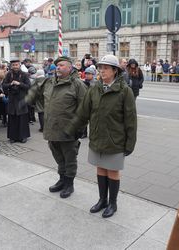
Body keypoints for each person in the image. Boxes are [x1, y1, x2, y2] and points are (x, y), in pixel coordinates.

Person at [64, 54, 137, 218]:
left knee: (112, 171)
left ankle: (113, 203)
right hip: (97, 137)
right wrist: (72, 129)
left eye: (106, 68)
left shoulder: (125, 91)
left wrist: (130, 143)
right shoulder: (95, 88)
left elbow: (131, 120)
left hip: (115, 139)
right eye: (100, 68)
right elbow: (83, 112)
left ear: (115, 71)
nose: (102, 71)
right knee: (101, 169)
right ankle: (102, 200)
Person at [26, 56, 87, 198]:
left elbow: (85, 109)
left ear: (70, 67)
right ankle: (62, 180)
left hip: (68, 130)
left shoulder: (77, 85)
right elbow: (41, 99)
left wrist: (79, 128)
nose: (58, 67)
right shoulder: (49, 83)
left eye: (61, 65)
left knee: (69, 159)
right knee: (59, 157)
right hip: (52, 129)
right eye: (57, 65)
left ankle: (69, 184)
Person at [2, 57, 31, 143]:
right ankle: (12, 137)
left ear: (19, 65)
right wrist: (10, 84)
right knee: (12, 119)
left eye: (16, 65)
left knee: (22, 119)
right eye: (13, 65)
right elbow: (4, 85)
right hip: (12, 100)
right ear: (11, 66)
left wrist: (19, 84)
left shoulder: (25, 74)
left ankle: (23, 136)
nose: (15, 66)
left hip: (21, 100)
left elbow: (28, 86)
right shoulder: (8, 74)